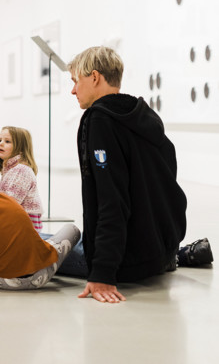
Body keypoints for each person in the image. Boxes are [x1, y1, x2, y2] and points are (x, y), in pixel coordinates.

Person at [69, 46, 191, 303]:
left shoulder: (100, 120)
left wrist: (102, 272)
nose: (73, 90)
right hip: (161, 252)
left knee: (44, 245)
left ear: (94, 77)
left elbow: (112, 200)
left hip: (126, 263)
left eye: (75, 81)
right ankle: (186, 253)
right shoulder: (144, 115)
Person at [0, 126, 44, 231]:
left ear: (20, 148)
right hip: (18, 224)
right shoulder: (10, 170)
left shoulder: (21, 170)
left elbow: (11, 203)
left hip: (25, 228)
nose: (1, 143)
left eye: (7, 141)